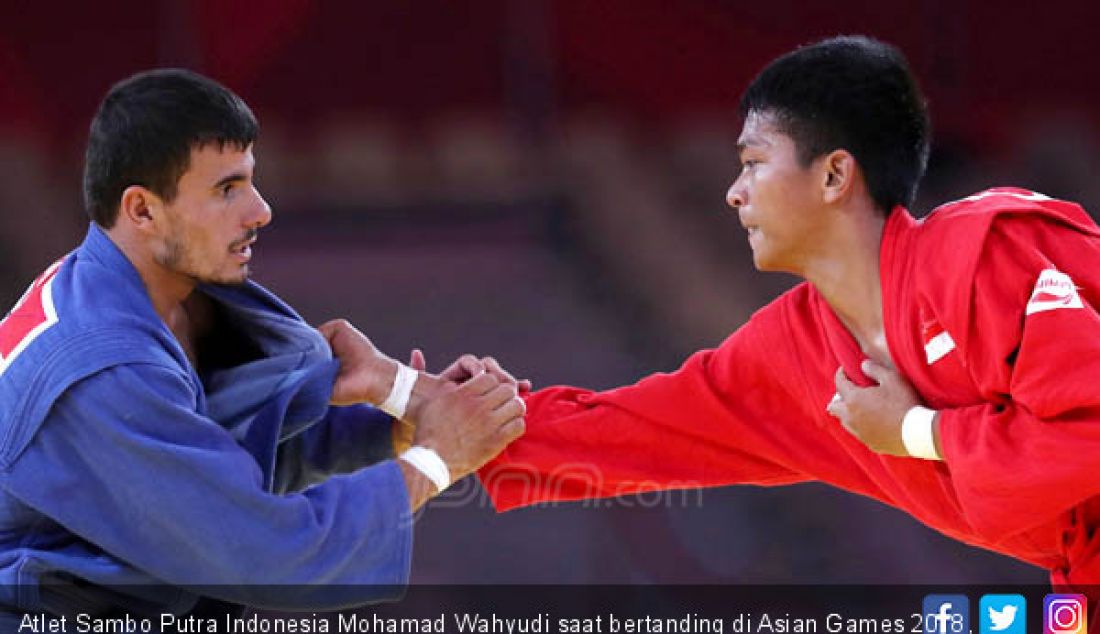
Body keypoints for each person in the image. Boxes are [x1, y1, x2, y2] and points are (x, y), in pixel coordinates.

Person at [476, 36, 1100, 593]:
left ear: (833, 175)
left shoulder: (987, 255)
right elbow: (640, 429)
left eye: (753, 162)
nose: (733, 191)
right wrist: (415, 406)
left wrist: (916, 433)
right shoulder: (791, 351)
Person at [0, 69, 526, 621]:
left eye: (250, 181)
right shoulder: (103, 370)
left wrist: (398, 418)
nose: (260, 211)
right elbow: (268, 557)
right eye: (227, 190)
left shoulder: (140, 292)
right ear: (142, 210)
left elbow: (217, 456)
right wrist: (438, 457)